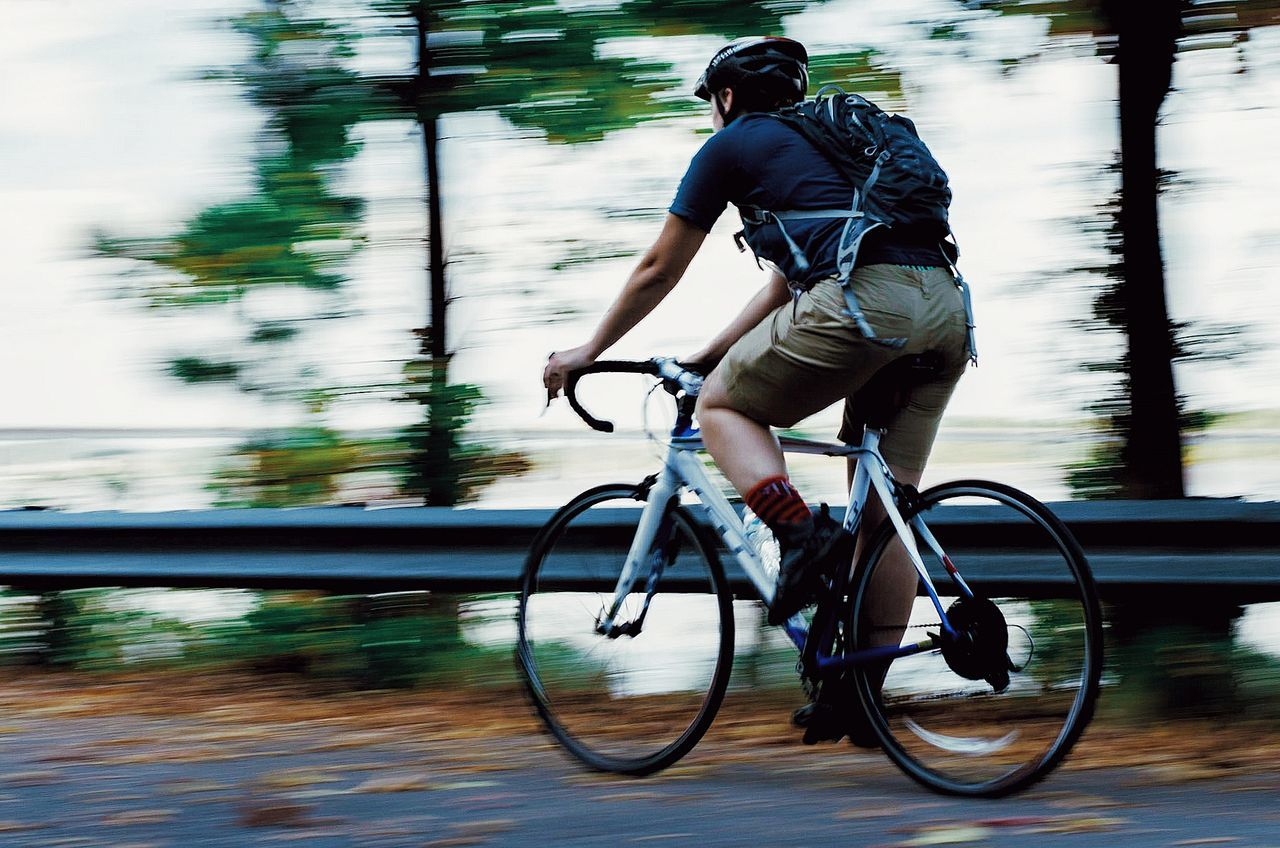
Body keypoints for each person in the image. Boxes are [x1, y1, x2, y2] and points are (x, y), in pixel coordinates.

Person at [543, 36, 971, 743]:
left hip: (864, 305)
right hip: (944, 309)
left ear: (728, 96)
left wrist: (588, 351)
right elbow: (783, 285)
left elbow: (658, 265)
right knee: (884, 512)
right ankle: (861, 696)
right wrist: (708, 353)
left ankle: (801, 535)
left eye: (712, 103)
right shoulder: (826, 145)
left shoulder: (734, 144)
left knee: (724, 408)